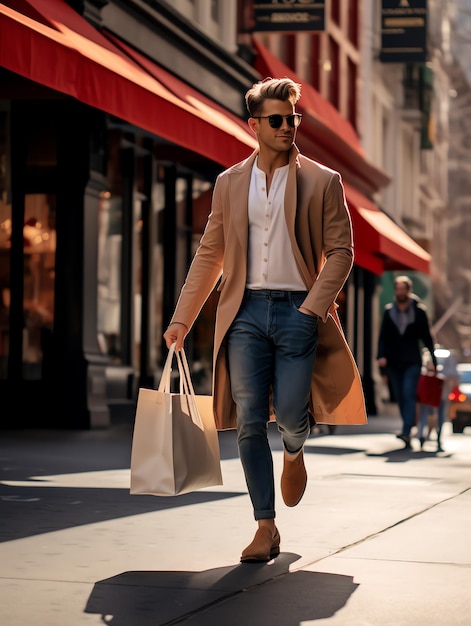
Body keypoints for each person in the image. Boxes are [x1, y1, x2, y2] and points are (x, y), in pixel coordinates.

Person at [163, 77, 367, 563]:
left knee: (293, 415)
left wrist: (311, 308)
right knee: (250, 420)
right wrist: (182, 319)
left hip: (300, 309)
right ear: (254, 125)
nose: (287, 127)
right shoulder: (230, 183)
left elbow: (342, 252)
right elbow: (210, 254)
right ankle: (264, 526)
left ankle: (295, 451)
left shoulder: (323, 181)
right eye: (276, 120)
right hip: (244, 313)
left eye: (292, 119)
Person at [377, 275, 437, 449]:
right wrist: (381, 355)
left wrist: (433, 359)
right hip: (394, 362)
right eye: (398, 289)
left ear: (409, 291)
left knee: (408, 393)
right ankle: (408, 428)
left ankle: (405, 430)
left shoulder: (419, 312)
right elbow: (383, 337)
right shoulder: (389, 312)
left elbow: (427, 337)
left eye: (403, 289)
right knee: (400, 397)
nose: (400, 292)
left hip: (412, 361)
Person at [417, 350, 459, 452]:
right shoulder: (446, 359)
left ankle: (428, 436)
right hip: (435, 393)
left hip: (437, 393)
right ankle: (425, 436)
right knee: (433, 415)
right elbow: (454, 375)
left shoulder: (431, 357)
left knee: (431, 415)